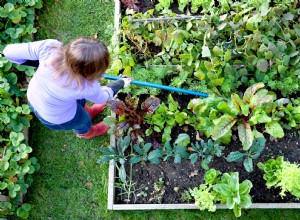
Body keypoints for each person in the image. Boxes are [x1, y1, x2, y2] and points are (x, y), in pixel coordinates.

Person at [3, 37, 132, 139]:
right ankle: (90, 132)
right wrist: (121, 83)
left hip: (35, 96)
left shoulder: (49, 48)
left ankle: (90, 111)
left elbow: (8, 52)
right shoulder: (86, 85)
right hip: (55, 116)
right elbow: (102, 97)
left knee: (76, 102)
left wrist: (39, 63)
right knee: (82, 121)